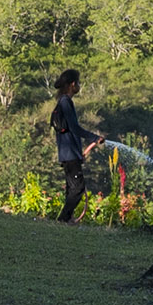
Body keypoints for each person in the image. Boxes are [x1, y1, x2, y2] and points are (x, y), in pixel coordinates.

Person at [49, 69, 97, 223]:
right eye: (78, 82)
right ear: (72, 84)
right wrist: (94, 137)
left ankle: (66, 218)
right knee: (77, 189)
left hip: (69, 153)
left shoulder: (63, 101)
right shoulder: (65, 102)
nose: (79, 85)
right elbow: (74, 128)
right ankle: (63, 219)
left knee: (72, 188)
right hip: (69, 153)